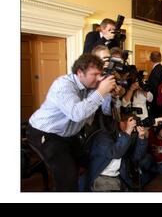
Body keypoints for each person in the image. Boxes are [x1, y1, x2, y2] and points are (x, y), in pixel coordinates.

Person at [27, 54, 116, 191]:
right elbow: (77, 114)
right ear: (80, 72)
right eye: (94, 74)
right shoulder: (63, 85)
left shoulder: (91, 85)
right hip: (45, 132)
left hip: (67, 135)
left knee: (89, 161)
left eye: (100, 74)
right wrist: (101, 91)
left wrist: (110, 94)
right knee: (68, 176)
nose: (99, 78)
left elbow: (105, 110)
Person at [83, 113, 148, 191]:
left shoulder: (127, 137)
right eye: (130, 122)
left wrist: (141, 138)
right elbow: (115, 153)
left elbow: (136, 157)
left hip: (118, 178)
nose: (133, 126)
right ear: (121, 123)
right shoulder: (102, 136)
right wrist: (127, 131)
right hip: (100, 177)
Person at [146, 51, 162, 116]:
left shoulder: (156, 71)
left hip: (156, 102)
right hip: (161, 100)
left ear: (150, 59)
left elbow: (154, 88)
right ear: (161, 59)